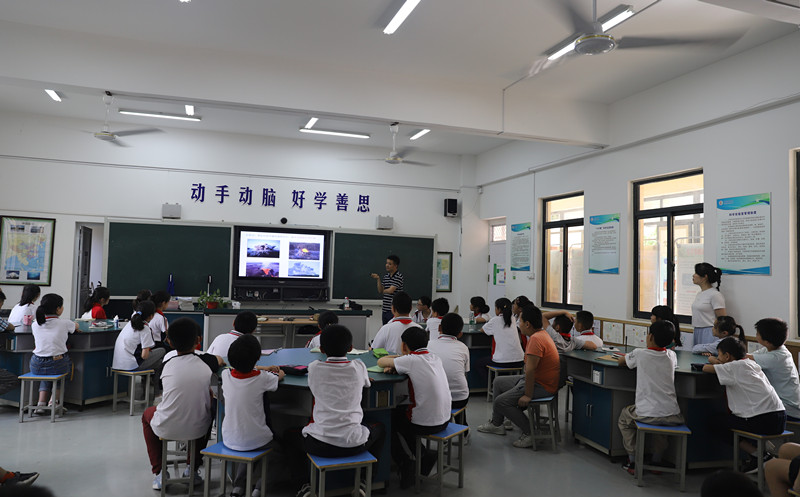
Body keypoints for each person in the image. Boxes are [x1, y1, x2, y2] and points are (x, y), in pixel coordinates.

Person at [141, 318, 224, 491]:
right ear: (198, 340)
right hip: (199, 428)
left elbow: (162, 391)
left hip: (166, 426)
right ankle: (192, 469)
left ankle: (160, 472)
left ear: (170, 342)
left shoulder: (165, 366)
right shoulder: (207, 361)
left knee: (147, 415)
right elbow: (219, 360)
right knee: (207, 408)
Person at [301, 325, 385, 490]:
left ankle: (304, 484)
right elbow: (367, 383)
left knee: (289, 436)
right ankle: (366, 480)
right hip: (354, 443)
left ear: (321, 349)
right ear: (351, 348)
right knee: (380, 429)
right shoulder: (359, 367)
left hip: (320, 444)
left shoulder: (314, 368)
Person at [477, 304, 560, 448]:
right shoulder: (541, 334)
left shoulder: (536, 340)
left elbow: (530, 371)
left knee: (501, 401)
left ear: (527, 324)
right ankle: (497, 424)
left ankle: (531, 433)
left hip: (542, 386)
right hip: (537, 380)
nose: (518, 324)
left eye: (520, 321)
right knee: (498, 382)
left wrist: (527, 395)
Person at [377, 327, 450, 489]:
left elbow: (381, 362)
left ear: (404, 345)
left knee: (389, 421)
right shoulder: (434, 358)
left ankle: (405, 462)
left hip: (425, 423)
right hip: (445, 419)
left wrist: (397, 360)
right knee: (400, 415)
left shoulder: (410, 361)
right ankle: (422, 454)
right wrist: (399, 362)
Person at [703, 336, 786, 472]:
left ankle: (759, 455)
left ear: (727, 356)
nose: (718, 357)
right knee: (734, 419)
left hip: (762, 420)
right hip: (779, 418)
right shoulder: (751, 364)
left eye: (719, 355)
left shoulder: (733, 367)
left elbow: (706, 368)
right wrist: (718, 361)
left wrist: (713, 360)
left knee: (716, 422)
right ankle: (760, 454)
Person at [617, 321, 685, 475]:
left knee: (624, 418)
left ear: (651, 337)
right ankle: (656, 461)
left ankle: (632, 460)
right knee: (661, 423)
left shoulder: (640, 353)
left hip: (646, 413)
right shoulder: (672, 355)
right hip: (672, 414)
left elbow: (622, 361)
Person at [221, 334, 284, 497]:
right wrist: (278, 371)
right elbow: (279, 377)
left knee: (247, 447)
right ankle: (259, 489)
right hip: (258, 440)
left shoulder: (226, 376)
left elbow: (241, 369)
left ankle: (238, 487)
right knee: (278, 453)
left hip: (229, 439)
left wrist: (263, 368)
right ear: (257, 358)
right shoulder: (262, 378)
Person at [30, 293, 79, 414]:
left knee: (45, 373)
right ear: (58, 309)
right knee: (62, 372)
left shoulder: (35, 324)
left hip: (36, 364)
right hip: (57, 362)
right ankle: (54, 402)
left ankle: (41, 404)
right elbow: (76, 326)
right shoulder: (65, 323)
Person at [747, 318, 800, 422]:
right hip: (783, 404)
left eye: (757, 333)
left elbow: (744, 358)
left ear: (767, 342)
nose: (756, 335)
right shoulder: (773, 349)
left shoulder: (776, 358)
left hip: (789, 409)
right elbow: (749, 356)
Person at [427, 312, 470, 413]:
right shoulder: (463, 347)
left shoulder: (428, 345)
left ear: (439, 328)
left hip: (436, 399)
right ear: (460, 334)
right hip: (460, 399)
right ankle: (461, 420)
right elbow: (465, 371)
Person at [112, 300, 167, 373]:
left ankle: (147, 379)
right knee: (162, 351)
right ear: (151, 316)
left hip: (117, 365)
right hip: (132, 365)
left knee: (159, 363)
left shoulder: (129, 324)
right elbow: (144, 356)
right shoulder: (145, 328)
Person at [481, 297, 524, 369]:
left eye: (495, 308)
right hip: (520, 360)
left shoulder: (495, 320)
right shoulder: (513, 319)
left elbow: (482, 330)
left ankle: (492, 377)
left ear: (499, 309)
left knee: (479, 363)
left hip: (502, 361)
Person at [691, 262, 726, 346]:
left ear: (704, 277)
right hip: (697, 330)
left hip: (710, 332)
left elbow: (722, 319)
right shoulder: (699, 294)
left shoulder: (715, 295)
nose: (693, 275)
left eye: (696, 273)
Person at [370, 254, 404, 325]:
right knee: (385, 328)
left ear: (395, 265)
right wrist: (378, 279)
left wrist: (383, 291)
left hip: (394, 310)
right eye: (387, 263)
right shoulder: (386, 276)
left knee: (392, 328)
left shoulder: (398, 276)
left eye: (390, 264)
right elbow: (380, 290)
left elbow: (390, 290)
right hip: (385, 309)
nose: (387, 265)